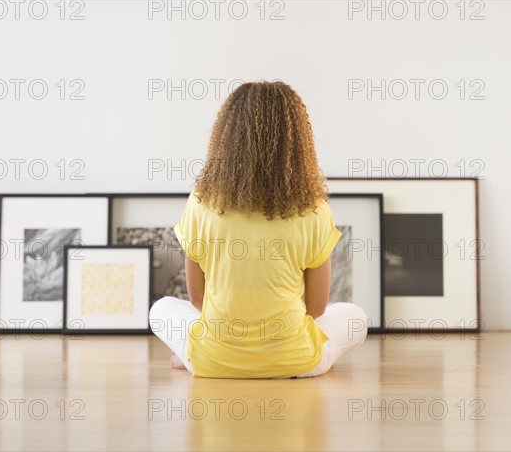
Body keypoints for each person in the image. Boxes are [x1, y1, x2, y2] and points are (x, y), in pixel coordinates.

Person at [149, 80, 368, 379]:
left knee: (161, 309)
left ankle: (188, 356)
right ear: (297, 141)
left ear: (226, 138)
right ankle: (272, 361)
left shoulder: (201, 202)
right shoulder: (315, 209)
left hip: (212, 361)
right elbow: (316, 308)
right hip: (298, 361)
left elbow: (197, 300)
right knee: (355, 316)